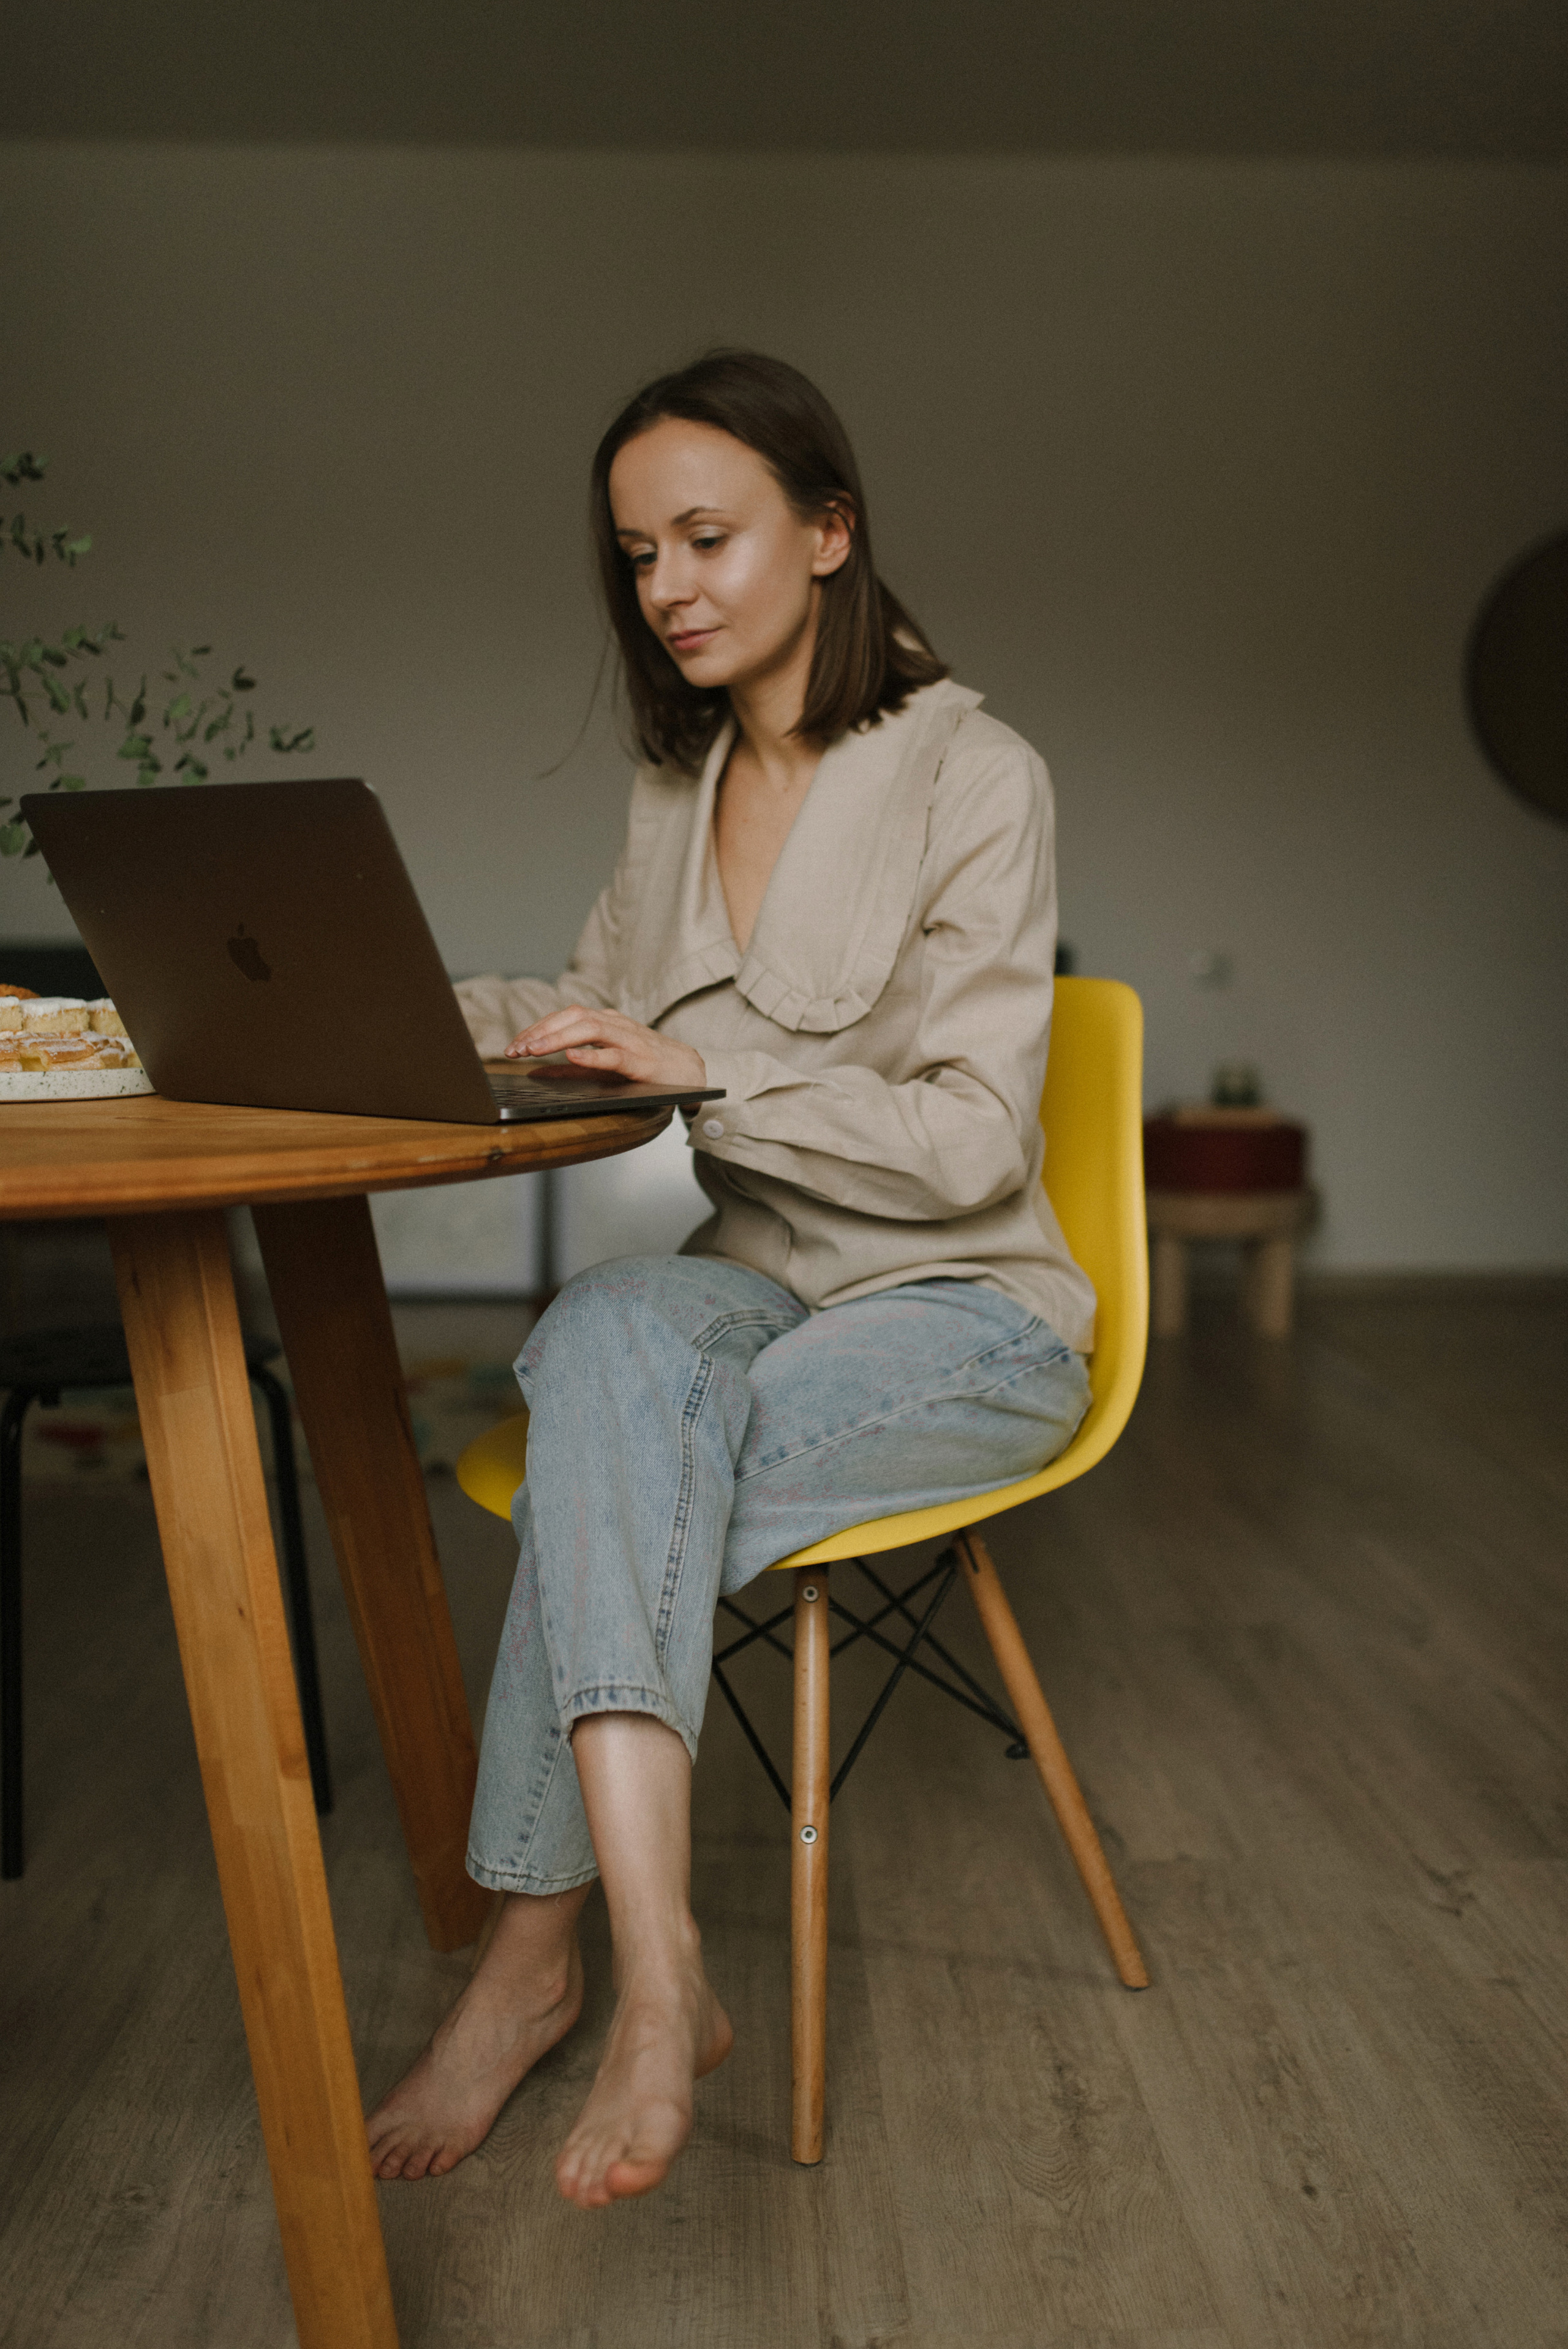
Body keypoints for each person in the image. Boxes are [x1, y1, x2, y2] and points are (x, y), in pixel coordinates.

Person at [365, 350, 1096, 2209]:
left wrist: (716, 1077)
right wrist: (376, 1010)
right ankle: (655, 1964)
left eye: (709, 535)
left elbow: (974, 1144)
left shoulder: (977, 777)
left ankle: (554, 1965)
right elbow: (588, 1007)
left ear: (830, 531)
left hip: (963, 1312)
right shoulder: (673, 781)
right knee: (605, 1331)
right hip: (754, 1281)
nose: (670, 584)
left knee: (613, 1455)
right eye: (638, 553)